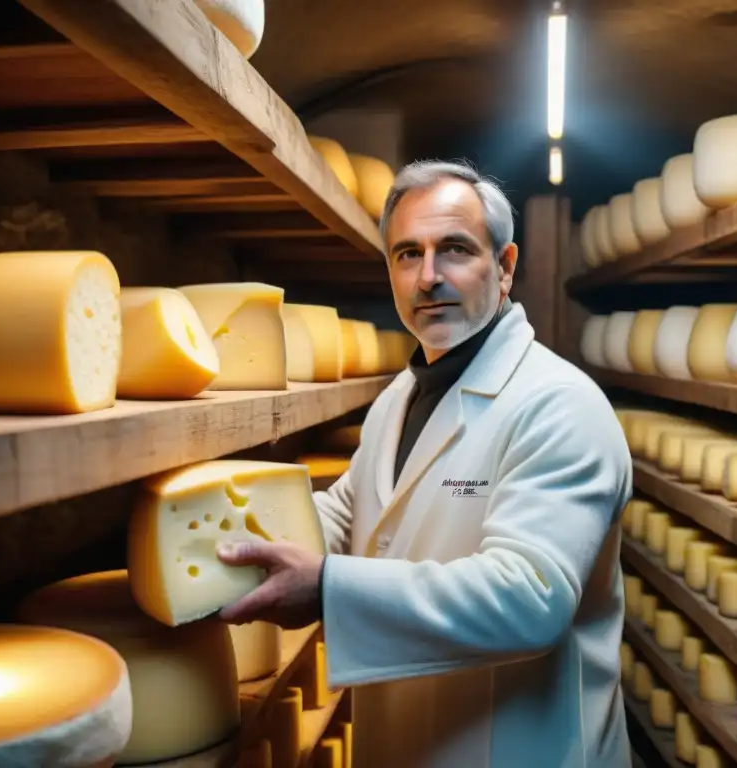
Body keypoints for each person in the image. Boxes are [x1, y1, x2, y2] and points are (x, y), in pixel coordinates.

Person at [216, 160, 634, 768]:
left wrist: (328, 588)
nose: (428, 276)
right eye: (407, 254)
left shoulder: (559, 405)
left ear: (506, 267)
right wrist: (232, 539)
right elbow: (350, 510)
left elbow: (530, 597)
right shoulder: (399, 397)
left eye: (455, 250)